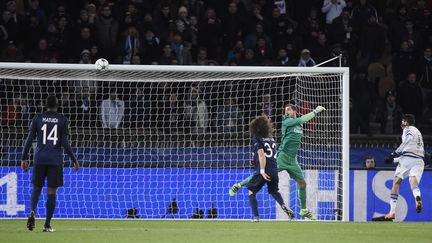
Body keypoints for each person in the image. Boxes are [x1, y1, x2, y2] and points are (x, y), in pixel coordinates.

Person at [21, 96, 80, 232]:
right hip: (55, 160)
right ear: (57, 105)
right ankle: (47, 225)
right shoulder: (62, 120)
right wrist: (74, 160)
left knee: (36, 188)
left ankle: (32, 212)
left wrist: (23, 158)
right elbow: (65, 143)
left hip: (39, 158)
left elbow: (29, 139)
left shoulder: (37, 118)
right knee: (51, 191)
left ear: (45, 105)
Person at [277, 103, 325, 220]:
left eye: (288, 110)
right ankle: (240, 185)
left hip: (293, 160)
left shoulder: (299, 124)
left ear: (294, 111)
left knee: (302, 183)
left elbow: (302, 120)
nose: (286, 112)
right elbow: (303, 118)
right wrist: (315, 111)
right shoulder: (286, 121)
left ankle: (303, 210)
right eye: (285, 110)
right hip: (282, 157)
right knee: (264, 174)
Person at [372, 114, 424, 221]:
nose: (402, 123)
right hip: (419, 160)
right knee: (413, 182)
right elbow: (414, 150)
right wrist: (394, 160)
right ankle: (417, 198)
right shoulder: (418, 132)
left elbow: (407, 142)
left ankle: (392, 213)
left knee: (396, 182)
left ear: (406, 122)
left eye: (403, 121)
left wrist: (394, 153)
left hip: (408, 158)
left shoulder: (408, 129)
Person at [245, 115, 294, 222]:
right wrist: (255, 159)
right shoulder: (271, 139)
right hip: (274, 170)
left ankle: (256, 217)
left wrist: (262, 171)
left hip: (263, 170)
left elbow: (262, 155)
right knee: (274, 192)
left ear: (256, 127)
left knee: (251, 191)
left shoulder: (257, 137)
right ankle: (284, 206)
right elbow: (269, 155)